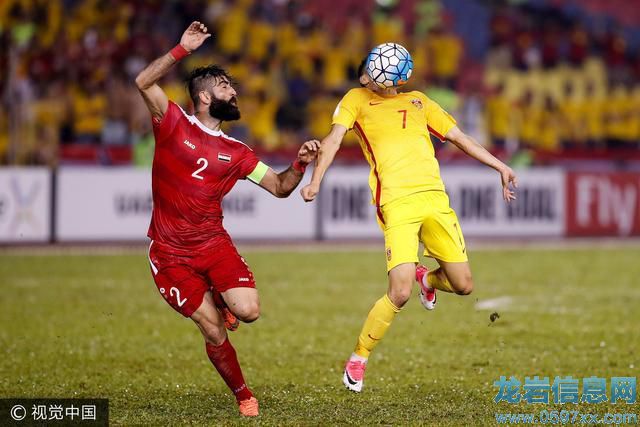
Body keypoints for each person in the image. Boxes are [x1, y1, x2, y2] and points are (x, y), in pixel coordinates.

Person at [301, 54, 517, 392]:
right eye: (369, 71)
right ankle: (359, 357)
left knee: (463, 286)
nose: (376, 73)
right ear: (364, 79)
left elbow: (460, 137)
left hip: (435, 200)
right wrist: (315, 180)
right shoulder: (356, 99)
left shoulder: (419, 101)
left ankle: (427, 279)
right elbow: (332, 140)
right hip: (397, 202)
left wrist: (500, 167)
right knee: (400, 292)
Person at [136, 22, 319, 417]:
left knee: (249, 311)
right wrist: (182, 49)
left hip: (212, 244)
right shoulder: (172, 122)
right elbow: (143, 81)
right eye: (225, 87)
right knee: (213, 328)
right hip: (169, 254)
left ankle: (223, 299)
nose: (234, 92)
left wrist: (300, 165)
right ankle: (243, 395)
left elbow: (279, 187)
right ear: (204, 97)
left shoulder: (238, 153)